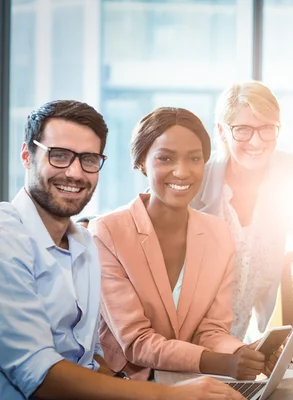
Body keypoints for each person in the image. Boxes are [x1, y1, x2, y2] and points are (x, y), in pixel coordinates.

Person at [0, 100, 245, 400]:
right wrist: (168, 396)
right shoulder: (6, 236)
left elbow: (91, 358)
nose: (75, 173)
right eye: (59, 156)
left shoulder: (82, 244)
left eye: (88, 159)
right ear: (27, 156)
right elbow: (37, 373)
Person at [89, 107, 268, 381]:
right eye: (165, 158)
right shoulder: (108, 232)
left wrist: (245, 352)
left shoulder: (218, 234)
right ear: (141, 163)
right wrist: (221, 364)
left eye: (194, 158)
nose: (182, 171)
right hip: (124, 384)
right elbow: (136, 341)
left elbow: (212, 331)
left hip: (188, 381)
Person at [190, 81, 293, 342]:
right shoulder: (197, 181)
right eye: (242, 129)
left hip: (242, 342)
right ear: (221, 131)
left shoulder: (288, 174)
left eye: (267, 128)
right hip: (187, 339)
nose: (256, 141)